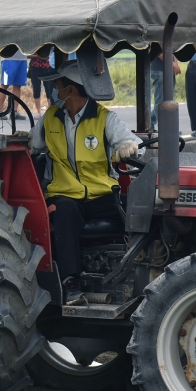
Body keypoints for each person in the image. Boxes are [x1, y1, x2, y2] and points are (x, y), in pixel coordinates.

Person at [34, 62, 141, 302]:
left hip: (102, 195)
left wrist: (128, 147)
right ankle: (71, 283)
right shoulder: (51, 117)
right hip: (65, 195)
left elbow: (129, 142)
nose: (55, 90)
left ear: (69, 90)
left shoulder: (104, 118)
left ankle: (139, 269)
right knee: (66, 212)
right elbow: (32, 143)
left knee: (143, 209)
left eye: (57, 85)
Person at [0, 51, 28, 116]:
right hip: (8, 59)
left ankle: (14, 111)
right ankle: (0, 111)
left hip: (22, 58)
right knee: (4, 85)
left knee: (17, 85)